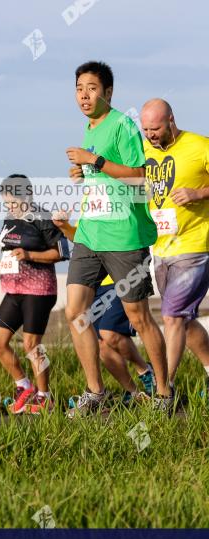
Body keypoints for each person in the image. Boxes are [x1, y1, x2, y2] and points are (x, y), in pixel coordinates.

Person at [62, 60, 173, 416]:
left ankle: (163, 393)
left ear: (108, 92)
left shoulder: (123, 124)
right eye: (80, 88)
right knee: (75, 312)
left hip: (124, 236)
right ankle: (96, 393)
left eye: (92, 88)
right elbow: (103, 173)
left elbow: (140, 176)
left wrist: (94, 160)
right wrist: (84, 171)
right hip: (90, 233)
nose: (84, 95)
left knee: (138, 318)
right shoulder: (89, 128)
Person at [141, 98, 209, 398]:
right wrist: (86, 170)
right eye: (145, 129)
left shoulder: (199, 145)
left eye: (155, 128)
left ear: (171, 120)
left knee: (171, 316)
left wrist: (199, 192)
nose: (150, 135)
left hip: (194, 245)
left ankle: (163, 390)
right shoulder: (144, 151)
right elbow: (121, 173)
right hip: (162, 248)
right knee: (182, 319)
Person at [54, 214, 156, 403]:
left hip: (118, 281)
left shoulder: (119, 195)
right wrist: (64, 226)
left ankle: (145, 371)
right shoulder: (91, 208)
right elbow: (77, 236)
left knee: (109, 333)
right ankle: (133, 393)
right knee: (101, 345)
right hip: (94, 285)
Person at [0, 174, 68, 414]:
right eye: (7, 203)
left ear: (27, 197)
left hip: (39, 290)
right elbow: (11, 252)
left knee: (32, 344)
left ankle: (45, 396)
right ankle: (24, 386)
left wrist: (31, 255)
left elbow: (61, 253)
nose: (10, 207)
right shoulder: (9, 219)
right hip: (13, 289)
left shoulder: (42, 218)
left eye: (13, 203)